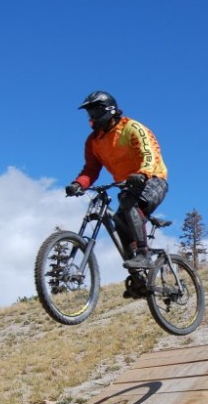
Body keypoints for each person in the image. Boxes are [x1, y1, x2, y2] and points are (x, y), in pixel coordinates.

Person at [65, 91, 169, 271]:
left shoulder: (132, 128)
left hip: (153, 178)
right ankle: (136, 275)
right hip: (129, 186)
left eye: (94, 112)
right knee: (119, 219)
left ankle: (143, 254)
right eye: (89, 114)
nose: (92, 118)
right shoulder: (93, 141)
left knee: (128, 203)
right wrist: (78, 184)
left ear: (108, 110)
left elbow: (149, 153)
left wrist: (143, 173)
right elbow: (91, 169)